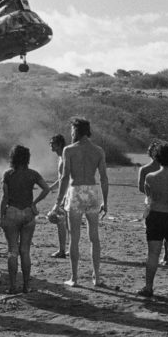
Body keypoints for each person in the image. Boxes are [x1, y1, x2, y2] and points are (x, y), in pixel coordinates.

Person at [53, 117, 109, 287]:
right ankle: (97, 277)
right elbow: (104, 178)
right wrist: (105, 202)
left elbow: (64, 178)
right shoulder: (98, 150)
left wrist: (58, 201)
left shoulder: (69, 150)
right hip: (92, 192)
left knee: (75, 237)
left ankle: (74, 278)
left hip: (76, 191)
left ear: (76, 130)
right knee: (94, 237)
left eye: (72, 130)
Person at [0, 145, 50, 293]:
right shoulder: (33, 174)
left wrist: (0, 217)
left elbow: (5, 197)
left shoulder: (8, 174)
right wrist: (34, 203)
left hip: (12, 213)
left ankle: (12, 287)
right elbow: (46, 189)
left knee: (12, 251)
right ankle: (26, 286)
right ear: (27, 158)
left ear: (12, 158)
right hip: (28, 213)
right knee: (25, 251)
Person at [138, 143, 168, 298]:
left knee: (153, 253)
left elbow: (149, 195)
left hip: (156, 216)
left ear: (158, 158)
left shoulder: (151, 177)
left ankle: (149, 287)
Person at [137, 140, 168, 266]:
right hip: (167, 202)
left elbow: (140, 188)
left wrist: (151, 192)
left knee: (152, 231)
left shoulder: (145, 169)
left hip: (151, 202)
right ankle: (165, 256)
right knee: (166, 231)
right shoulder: (167, 168)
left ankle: (155, 256)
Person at [47, 134, 69, 259]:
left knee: (59, 221)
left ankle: (62, 250)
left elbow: (66, 179)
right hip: (66, 193)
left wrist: (61, 196)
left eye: (52, 143)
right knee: (66, 223)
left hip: (67, 194)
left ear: (59, 144)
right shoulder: (61, 158)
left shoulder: (66, 157)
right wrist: (50, 188)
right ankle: (67, 249)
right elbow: (61, 179)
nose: (51, 146)